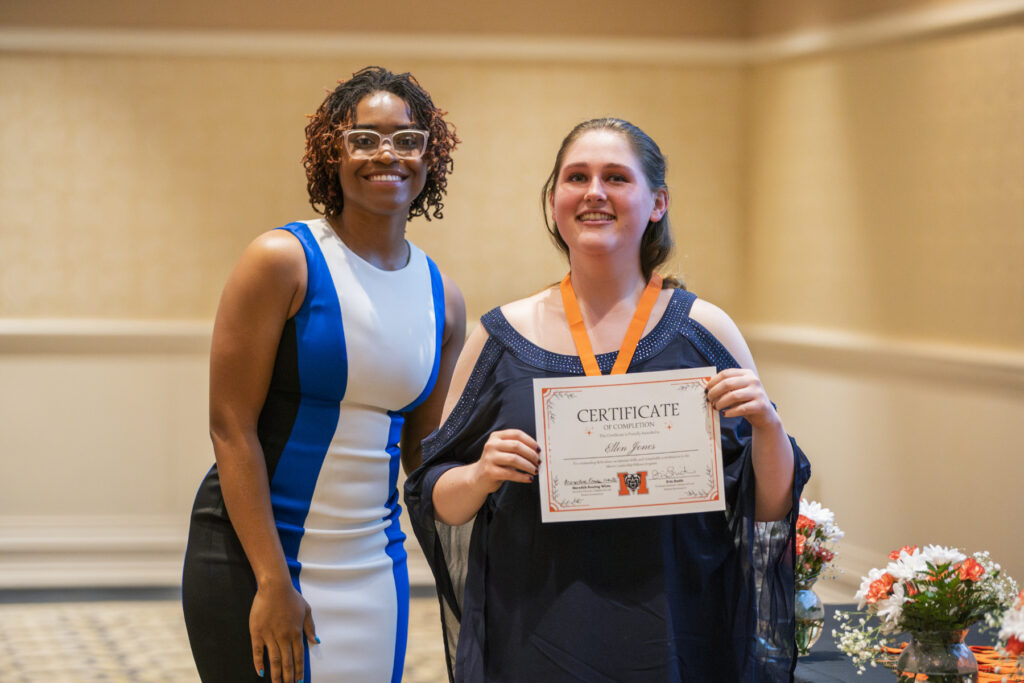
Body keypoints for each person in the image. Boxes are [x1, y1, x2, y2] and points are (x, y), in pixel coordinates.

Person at [405, 118, 811, 682]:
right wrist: (479, 475)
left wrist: (767, 427)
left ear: (657, 202)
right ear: (554, 202)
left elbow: (768, 508)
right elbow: (436, 499)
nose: (595, 192)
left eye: (616, 177)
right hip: (536, 632)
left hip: (679, 628)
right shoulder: (499, 338)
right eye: (577, 177)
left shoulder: (704, 330)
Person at [182, 66, 465, 683]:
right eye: (363, 138)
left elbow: (423, 450)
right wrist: (271, 581)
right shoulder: (282, 260)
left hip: (374, 563)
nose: (386, 154)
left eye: (407, 139)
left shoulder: (443, 297)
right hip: (256, 559)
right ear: (330, 153)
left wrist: (499, 481)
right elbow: (230, 426)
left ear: (429, 156)